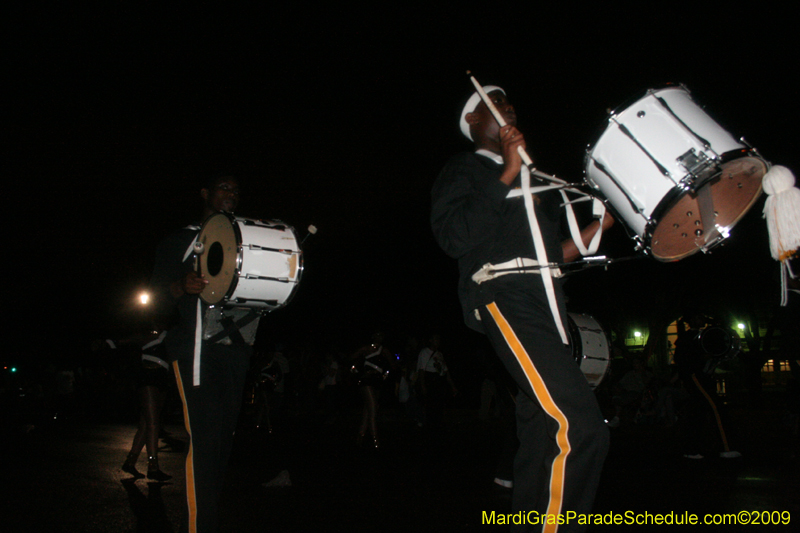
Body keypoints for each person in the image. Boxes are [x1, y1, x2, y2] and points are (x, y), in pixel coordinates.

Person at [431, 85, 613, 532]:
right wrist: (508, 172)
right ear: (473, 120)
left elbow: (553, 254)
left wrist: (600, 225)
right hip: (504, 296)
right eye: (496, 105)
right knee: (580, 426)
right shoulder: (465, 169)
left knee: (541, 433)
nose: (509, 108)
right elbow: (454, 237)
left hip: (547, 300)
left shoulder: (536, 181)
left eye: (512, 102)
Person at [150, 175, 262, 533]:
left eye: (236, 191)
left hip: (236, 349)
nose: (231, 195)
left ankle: (207, 520)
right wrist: (181, 285)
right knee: (204, 441)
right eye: (224, 188)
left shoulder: (247, 240)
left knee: (221, 445)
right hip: (196, 350)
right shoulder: (180, 240)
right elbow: (155, 294)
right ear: (205, 193)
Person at [121, 330, 173, 481]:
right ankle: (153, 466)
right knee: (152, 424)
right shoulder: (148, 335)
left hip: (162, 378)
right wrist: (108, 342)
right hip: (148, 377)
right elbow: (125, 340)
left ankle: (130, 463)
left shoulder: (172, 334)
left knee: (146, 424)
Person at [350, 332, 392, 448]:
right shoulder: (366, 348)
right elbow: (351, 358)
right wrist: (357, 370)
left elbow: (392, 365)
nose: (379, 337)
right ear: (372, 336)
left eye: (381, 335)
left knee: (368, 410)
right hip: (366, 381)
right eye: (377, 335)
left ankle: (360, 436)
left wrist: (385, 375)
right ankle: (375, 440)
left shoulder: (384, 350)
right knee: (373, 410)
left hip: (377, 382)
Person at [416, 334, 457, 430]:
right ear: (430, 340)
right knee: (430, 406)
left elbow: (445, 371)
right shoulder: (424, 352)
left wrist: (452, 386)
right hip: (430, 380)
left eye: (438, 339)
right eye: (435, 339)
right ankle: (430, 426)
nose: (438, 341)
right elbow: (421, 370)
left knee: (439, 405)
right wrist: (422, 385)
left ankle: (438, 425)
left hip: (439, 381)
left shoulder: (440, 354)